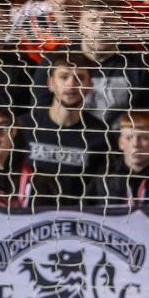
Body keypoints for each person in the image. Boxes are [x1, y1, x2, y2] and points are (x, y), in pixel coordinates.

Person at [19, 51, 111, 208]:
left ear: (89, 86)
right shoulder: (24, 127)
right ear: (51, 83)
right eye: (64, 77)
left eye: (79, 78)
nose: (71, 84)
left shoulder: (100, 135)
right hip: (27, 219)